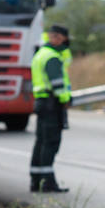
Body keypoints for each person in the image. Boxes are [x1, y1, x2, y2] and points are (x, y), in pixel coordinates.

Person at [28, 25, 72, 193]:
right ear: (58, 38)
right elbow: (58, 85)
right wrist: (65, 99)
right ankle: (47, 183)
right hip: (51, 104)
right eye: (59, 38)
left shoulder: (41, 54)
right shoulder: (52, 57)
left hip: (43, 102)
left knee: (41, 142)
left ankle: (37, 181)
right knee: (50, 143)